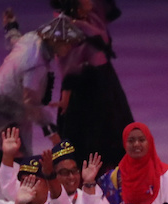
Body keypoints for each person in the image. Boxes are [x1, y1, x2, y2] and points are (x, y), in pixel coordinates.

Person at [0, 11, 83, 204]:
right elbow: (31, 101)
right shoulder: (37, 64)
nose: (69, 47)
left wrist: (11, 26)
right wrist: (51, 131)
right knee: (21, 162)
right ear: (56, 41)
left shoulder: (32, 38)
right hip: (4, 110)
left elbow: (15, 41)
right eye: (67, 43)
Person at [52, 0, 135, 169]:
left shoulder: (92, 17)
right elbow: (67, 63)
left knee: (113, 129)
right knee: (87, 136)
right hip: (82, 87)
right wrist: (67, 94)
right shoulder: (66, 26)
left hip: (104, 81)